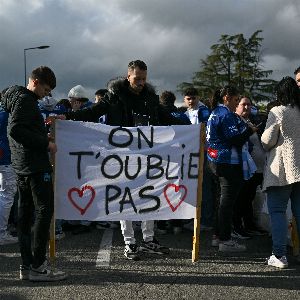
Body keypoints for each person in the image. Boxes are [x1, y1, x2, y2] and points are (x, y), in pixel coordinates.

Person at [57, 60, 188, 260]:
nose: (141, 82)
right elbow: (93, 112)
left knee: (149, 195)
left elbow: (165, 116)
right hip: (121, 157)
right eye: (137, 79)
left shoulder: (151, 98)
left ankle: (148, 239)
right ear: (128, 76)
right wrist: (67, 117)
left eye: (144, 79)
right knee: (124, 196)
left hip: (147, 155)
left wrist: (191, 129)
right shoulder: (115, 97)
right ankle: (130, 242)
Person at [1, 66, 67, 281]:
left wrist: (41, 131)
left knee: (25, 215)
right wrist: (45, 143)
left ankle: (27, 265)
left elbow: (21, 128)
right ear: (36, 82)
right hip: (35, 165)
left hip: (21, 164)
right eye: (46, 90)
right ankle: (38, 265)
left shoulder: (17, 98)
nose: (46, 95)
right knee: (43, 212)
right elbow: (16, 130)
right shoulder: (26, 100)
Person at [206, 86, 257, 252]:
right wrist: (249, 130)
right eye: (236, 100)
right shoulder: (225, 114)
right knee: (227, 203)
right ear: (227, 98)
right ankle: (225, 240)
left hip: (215, 160)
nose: (237, 104)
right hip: (226, 161)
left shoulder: (215, 112)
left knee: (221, 200)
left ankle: (218, 235)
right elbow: (235, 140)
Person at [261, 76, 300, 269]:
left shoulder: (277, 111)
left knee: (277, 212)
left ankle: (279, 255)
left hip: (283, 170)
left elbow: (267, 140)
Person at [232, 96, 267, 239]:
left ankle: (249, 224)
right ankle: (237, 226)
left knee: (250, 198)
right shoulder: (235, 122)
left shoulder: (251, 121)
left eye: (249, 105)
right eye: (243, 104)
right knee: (241, 199)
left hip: (257, 168)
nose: (246, 107)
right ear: (236, 106)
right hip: (244, 168)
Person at [181, 88, 214, 232]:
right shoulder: (185, 113)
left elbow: (205, 131)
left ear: (198, 97)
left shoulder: (204, 111)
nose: (191, 101)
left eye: (193, 98)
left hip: (204, 154)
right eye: (188, 98)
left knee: (204, 187)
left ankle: (206, 220)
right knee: (192, 187)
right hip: (191, 154)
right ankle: (193, 218)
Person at [0, 92, 18, 245]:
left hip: (4, 158)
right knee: (7, 195)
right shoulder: (10, 114)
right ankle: (1, 232)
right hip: (7, 158)